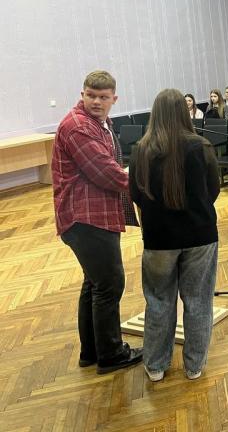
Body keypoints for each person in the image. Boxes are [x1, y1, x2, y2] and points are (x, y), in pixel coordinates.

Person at [51, 70, 142, 374]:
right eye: (91, 95)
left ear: (114, 99)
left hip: (92, 215)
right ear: (82, 94)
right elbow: (105, 171)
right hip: (85, 218)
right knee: (109, 284)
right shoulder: (78, 126)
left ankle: (91, 351)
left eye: (103, 97)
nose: (96, 101)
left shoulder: (99, 122)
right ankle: (111, 354)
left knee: (95, 283)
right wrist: (147, 184)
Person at [129, 89, 219, 382]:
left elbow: (135, 194)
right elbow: (213, 189)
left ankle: (156, 365)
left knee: (159, 301)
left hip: (159, 237)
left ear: (155, 113)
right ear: (184, 111)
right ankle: (194, 365)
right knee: (198, 301)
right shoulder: (201, 146)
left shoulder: (141, 149)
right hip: (200, 234)